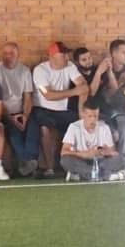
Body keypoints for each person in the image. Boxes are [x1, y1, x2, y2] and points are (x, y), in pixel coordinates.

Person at [90, 39, 125, 175]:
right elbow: (108, 97)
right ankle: (122, 162)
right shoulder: (104, 71)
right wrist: (120, 80)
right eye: (123, 52)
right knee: (122, 122)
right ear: (113, 54)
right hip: (107, 111)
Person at [29, 42, 86, 177]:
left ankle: (76, 166)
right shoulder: (40, 70)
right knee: (44, 128)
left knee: (78, 125)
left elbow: (84, 87)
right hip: (42, 109)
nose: (67, 57)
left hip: (63, 110)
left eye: (67, 55)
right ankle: (49, 168)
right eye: (63, 55)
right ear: (52, 56)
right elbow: (48, 95)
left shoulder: (70, 66)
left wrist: (81, 112)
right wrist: (74, 91)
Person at [0, 41, 37, 177]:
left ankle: (29, 160)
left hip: (20, 111)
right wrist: (11, 119)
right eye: (5, 53)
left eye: (11, 53)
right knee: (14, 130)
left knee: (34, 125)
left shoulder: (24, 71)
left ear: (18, 55)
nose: (8, 56)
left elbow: (28, 97)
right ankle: (27, 161)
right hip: (2, 112)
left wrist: (25, 116)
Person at [60, 101, 125, 181]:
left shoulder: (104, 127)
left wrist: (102, 152)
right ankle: (106, 176)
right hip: (81, 160)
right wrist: (84, 154)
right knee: (66, 160)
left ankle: (83, 176)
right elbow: (64, 152)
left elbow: (113, 153)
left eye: (95, 116)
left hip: (100, 161)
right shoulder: (74, 127)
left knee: (120, 159)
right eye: (90, 116)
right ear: (83, 115)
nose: (93, 120)